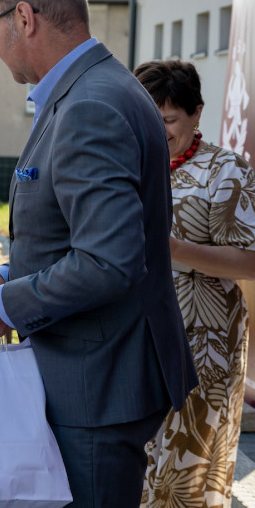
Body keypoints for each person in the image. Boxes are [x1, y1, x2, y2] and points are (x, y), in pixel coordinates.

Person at [0, 0, 197, 508]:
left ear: (25, 18)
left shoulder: (91, 104)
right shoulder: (91, 89)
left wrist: (9, 304)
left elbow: (108, 261)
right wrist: (6, 276)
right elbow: (71, 234)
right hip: (97, 373)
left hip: (96, 384)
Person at [133, 59, 255, 507]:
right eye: (149, 118)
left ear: (197, 112)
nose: (158, 130)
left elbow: (251, 261)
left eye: (168, 119)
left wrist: (174, 250)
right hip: (132, 341)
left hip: (201, 348)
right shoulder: (128, 162)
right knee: (137, 466)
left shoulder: (225, 171)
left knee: (185, 471)